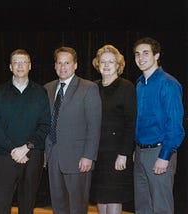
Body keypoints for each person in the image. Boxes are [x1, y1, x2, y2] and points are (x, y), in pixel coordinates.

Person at [0, 49, 50, 214]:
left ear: (30, 66)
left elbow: (45, 125)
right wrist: (13, 149)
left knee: (27, 205)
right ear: (10, 67)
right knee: (1, 205)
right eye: (16, 62)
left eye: (23, 62)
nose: (20, 65)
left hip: (32, 155)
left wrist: (26, 148)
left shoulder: (41, 92)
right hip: (5, 156)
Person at [44, 46, 102, 214]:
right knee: (58, 206)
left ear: (75, 65)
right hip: (53, 157)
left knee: (77, 207)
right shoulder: (47, 88)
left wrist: (89, 156)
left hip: (79, 160)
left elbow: (94, 125)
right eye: (59, 63)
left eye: (67, 63)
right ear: (55, 66)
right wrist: (45, 154)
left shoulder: (88, 88)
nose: (63, 67)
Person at [133, 37, 185, 214]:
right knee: (142, 207)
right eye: (137, 54)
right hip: (140, 154)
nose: (141, 58)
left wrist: (165, 156)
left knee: (161, 207)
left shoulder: (168, 83)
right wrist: (136, 149)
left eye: (146, 53)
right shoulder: (139, 84)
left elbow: (175, 125)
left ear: (157, 55)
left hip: (159, 152)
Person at [89, 45, 136, 214]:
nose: (106, 65)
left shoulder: (126, 87)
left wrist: (124, 153)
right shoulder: (93, 87)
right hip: (97, 153)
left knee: (114, 196)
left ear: (118, 65)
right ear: (97, 64)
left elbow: (131, 123)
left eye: (111, 62)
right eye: (103, 61)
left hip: (117, 153)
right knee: (101, 195)